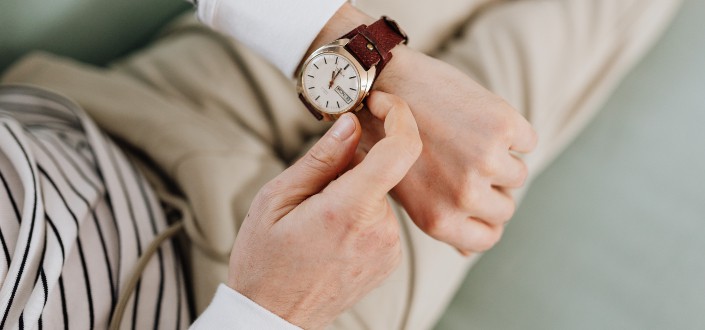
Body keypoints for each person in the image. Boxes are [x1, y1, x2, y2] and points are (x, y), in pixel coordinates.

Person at [0, 0, 682, 328]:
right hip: (250, 297)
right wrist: (269, 310)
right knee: (570, 31)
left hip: (113, 116)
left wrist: (333, 41)